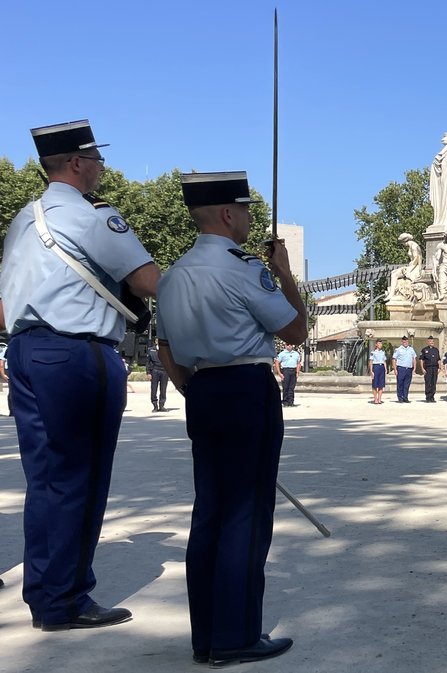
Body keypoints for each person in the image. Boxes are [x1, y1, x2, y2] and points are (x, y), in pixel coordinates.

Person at [1, 120, 160, 631]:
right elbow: (148, 280)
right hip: (75, 354)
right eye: (97, 159)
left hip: (25, 351)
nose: (102, 168)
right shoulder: (95, 219)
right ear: (76, 162)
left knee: (45, 479)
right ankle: (67, 600)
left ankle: (45, 594)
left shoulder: (24, 220)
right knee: (81, 479)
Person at [156, 170, 303, 665]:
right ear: (226, 213)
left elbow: (166, 347)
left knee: (210, 512)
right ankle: (236, 635)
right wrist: (282, 272)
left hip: (203, 390)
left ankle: (206, 636)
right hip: (245, 389)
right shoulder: (244, 269)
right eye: (244, 211)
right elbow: (296, 331)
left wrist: (191, 388)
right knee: (247, 512)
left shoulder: (173, 275)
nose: (247, 219)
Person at [391, 335, 416, 403]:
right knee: (400, 384)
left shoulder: (411, 349)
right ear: (402, 341)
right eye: (404, 341)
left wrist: (414, 368)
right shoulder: (398, 350)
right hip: (401, 368)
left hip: (409, 369)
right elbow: (394, 359)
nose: (406, 342)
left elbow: (414, 358)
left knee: (407, 384)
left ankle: (405, 397)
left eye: (407, 341)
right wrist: (395, 369)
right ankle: (400, 397)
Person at [147, 337, 169, 411]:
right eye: (157, 340)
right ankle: (155, 406)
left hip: (164, 371)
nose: (159, 342)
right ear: (155, 342)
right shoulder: (151, 350)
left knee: (163, 389)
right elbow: (148, 362)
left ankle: (162, 405)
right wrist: (148, 373)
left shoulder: (167, 350)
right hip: (155, 371)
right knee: (154, 389)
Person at [418, 336, 440, 402]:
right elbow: (421, 360)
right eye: (430, 341)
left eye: (432, 341)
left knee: (433, 383)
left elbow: (438, 359)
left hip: (435, 368)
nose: (432, 342)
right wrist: (422, 368)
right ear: (427, 342)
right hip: (428, 368)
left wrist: (440, 368)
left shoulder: (436, 350)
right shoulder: (424, 350)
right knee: (428, 383)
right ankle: (428, 397)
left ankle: (432, 397)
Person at [369, 340, 387, 405]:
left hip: (381, 367)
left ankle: (379, 399)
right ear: (376, 344)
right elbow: (371, 361)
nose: (380, 345)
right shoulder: (373, 352)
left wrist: (385, 369)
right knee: (375, 384)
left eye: (381, 343)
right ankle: (375, 399)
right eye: (379, 343)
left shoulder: (383, 352)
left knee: (381, 384)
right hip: (376, 367)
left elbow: (384, 361)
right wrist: (371, 371)